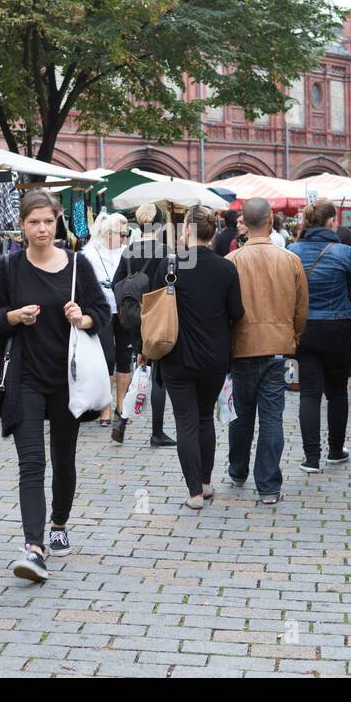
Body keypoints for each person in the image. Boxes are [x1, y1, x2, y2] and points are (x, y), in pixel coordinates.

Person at [0, 191, 111, 582]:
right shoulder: (7, 267)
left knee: (64, 458)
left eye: (48, 221)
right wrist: (13, 317)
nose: (41, 229)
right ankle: (34, 547)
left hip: (68, 380)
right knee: (31, 462)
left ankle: (58, 524)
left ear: (58, 223)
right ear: (21, 225)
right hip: (25, 378)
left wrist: (83, 318)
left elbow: (103, 314)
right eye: (34, 222)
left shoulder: (77, 265)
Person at [147, 206, 244, 509]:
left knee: (186, 422)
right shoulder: (225, 268)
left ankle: (194, 493)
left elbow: (149, 308)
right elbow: (237, 312)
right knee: (205, 418)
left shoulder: (170, 264)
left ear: (186, 230)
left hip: (176, 355)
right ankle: (205, 481)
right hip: (214, 357)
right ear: (214, 232)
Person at [228, 197, 307, 504]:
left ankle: (237, 469)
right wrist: (293, 338)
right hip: (278, 347)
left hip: (241, 347)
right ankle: (269, 485)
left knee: (241, 415)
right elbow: (301, 310)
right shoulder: (289, 260)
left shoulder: (233, 260)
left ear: (244, 223)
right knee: (272, 417)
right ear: (271, 220)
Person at [288, 199, 351, 472]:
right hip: (338, 329)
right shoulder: (345, 253)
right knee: (337, 392)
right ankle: (335, 450)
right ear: (332, 221)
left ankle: (311, 458)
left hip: (304, 330)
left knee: (309, 394)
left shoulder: (292, 251)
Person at [110, 203, 174, 447]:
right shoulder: (164, 250)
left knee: (138, 366)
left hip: (132, 318)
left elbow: (116, 283)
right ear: (158, 225)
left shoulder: (129, 250)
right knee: (158, 375)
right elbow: (169, 286)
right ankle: (157, 432)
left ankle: (121, 421)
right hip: (155, 316)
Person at [85, 212, 129, 427]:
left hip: (124, 310)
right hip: (102, 311)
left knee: (124, 357)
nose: (124, 237)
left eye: (126, 233)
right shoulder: (90, 253)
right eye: (121, 234)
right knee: (106, 359)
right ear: (108, 233)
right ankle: (106, 406)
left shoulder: (127, 252)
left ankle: (122, 407)